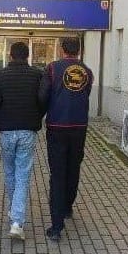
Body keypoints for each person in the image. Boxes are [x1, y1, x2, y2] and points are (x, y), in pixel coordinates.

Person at [38, 37, 94, 241]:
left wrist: (42, 113)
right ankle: (68, 206)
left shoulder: (52, 69)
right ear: (78, 50)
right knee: (74, 168)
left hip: (57, 127)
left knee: (57, 174)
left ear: (62, 49)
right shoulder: (87, 71)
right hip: (79, 127)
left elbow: (43, 96)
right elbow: (86, 94)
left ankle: (56, 226)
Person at [0, 41, 44, 240]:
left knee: (10, 173)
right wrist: (38, 116)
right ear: (28, 56)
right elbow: (43, 100)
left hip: (6, 131)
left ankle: (14, 213)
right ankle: (17, 222)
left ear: (10, 55)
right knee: (22, 175)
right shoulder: (37, 75)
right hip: (27, 131)